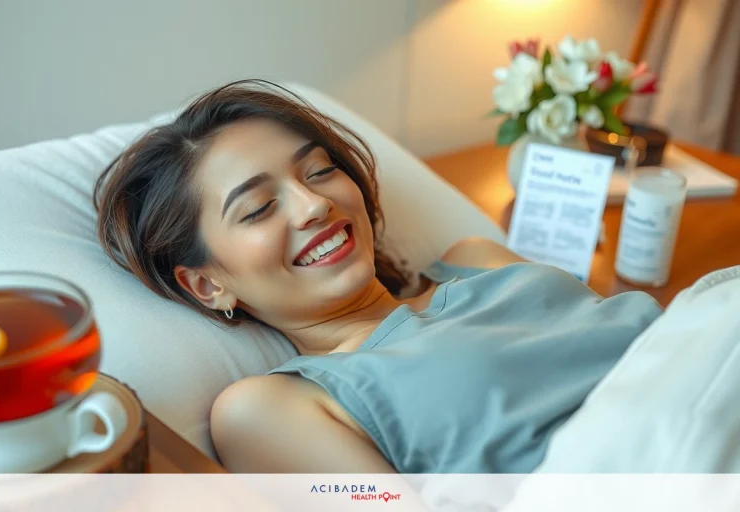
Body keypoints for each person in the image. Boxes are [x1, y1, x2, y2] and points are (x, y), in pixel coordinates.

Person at [94, 79, 663, 474]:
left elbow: (639, 338)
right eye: (259, 207)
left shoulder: (478, 258)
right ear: (207, 284)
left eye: (320, 170)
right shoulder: (267, 409)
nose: (313, 204)